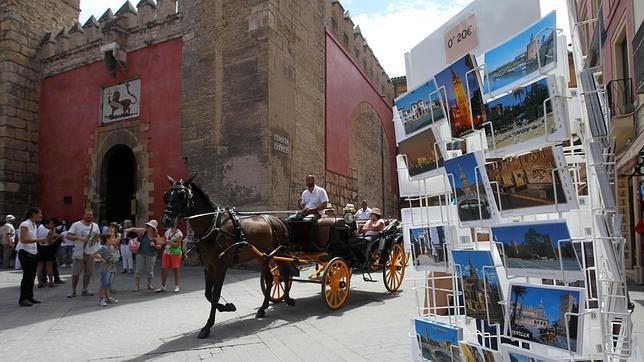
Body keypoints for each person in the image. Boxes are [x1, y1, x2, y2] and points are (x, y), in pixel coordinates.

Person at [66, 208, 100, 298]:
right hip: (79, 252)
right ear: (83, 215)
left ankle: (85, 289)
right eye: (88, 214)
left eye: (91, 215)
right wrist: (79, 238)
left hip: (91, 252)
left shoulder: (95, 226)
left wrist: (94, 240)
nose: (89, 216)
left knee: (88, 272)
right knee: (76, 272)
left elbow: (97, 237)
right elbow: (68, 235)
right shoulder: (76, 225)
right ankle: (73, 290)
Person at [17, 207, 46, 306]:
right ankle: (23, 299)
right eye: (39, 213)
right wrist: (38, 240)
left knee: (32, 275)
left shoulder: (34, 224)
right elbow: (23, 239)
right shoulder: (25, 224)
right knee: (27, 275)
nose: (41, 215)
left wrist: (38, 240)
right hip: (25, 252)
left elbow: (32, 238)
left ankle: (30, 296)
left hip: (33, 252)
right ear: (33, 214)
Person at [125, 219, 163, 291]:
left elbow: (160, 246)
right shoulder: (143, 231)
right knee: (138, 270)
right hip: (140, 253)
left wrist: (154, 245)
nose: (147, 227)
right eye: (147, 225)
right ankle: (137, 286)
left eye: (149, 226)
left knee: (150, 271)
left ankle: (149, 284)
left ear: (153, 228)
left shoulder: (157, 235)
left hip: (151, 254)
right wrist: (127, 230)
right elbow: (134, 229)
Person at [156, 223, 183, 293]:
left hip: (175, 253)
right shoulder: (167, 232)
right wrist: (158, 241)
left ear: (175, 225)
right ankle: (163, 286)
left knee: (175, 269)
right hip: (166, 252)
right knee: (164, 269)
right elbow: (164, 241)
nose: (169, 227)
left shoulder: (179, 234)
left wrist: (169, 242)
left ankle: (177, 286)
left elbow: (177, 245)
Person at [36, 218, 61, 288]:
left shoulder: (39, 228)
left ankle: (40, 282)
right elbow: (51, 243)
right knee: (49, 266)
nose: (52, 225)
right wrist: (57, 237)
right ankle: (51, 282)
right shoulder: (48, 231)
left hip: (40, 248)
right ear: (46, 224)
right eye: (51, 224)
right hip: (47, 248)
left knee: (40, 266)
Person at [94, 233, 119, 306]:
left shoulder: (112, 247)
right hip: (105, 269)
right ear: (107, 239)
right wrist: (102, 259)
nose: (113, 240)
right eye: (112, 238)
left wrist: (115, 258)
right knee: (103, 284)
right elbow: (97, 254)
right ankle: (101, 299)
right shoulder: (103, 247)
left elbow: (116, 256)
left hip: (112, 268)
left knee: (108, 284)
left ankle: (108, 298)